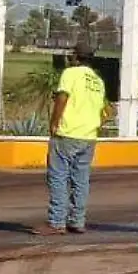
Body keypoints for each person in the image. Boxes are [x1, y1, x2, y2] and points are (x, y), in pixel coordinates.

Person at [36, 41, 107, 236]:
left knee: (58, 177)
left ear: (76, 56)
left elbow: (62, 98)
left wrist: (54, 122)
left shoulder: (70, 73)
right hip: (89, 135)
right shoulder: (97, 81)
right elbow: (104, 110)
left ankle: (56, 221)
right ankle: (77, 220)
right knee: (81, 179)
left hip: (68, 132)